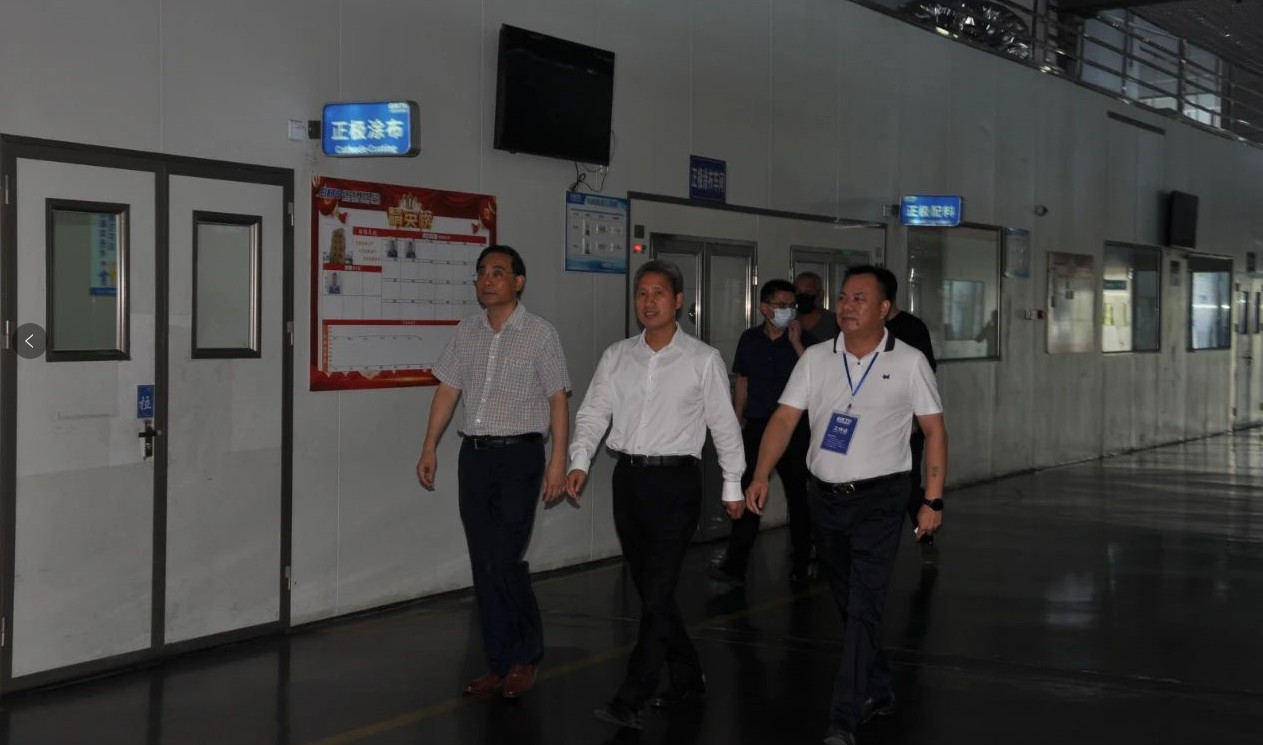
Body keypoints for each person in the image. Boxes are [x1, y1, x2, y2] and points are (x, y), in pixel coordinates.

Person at [746, 264, 947, 745]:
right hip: (826, 499)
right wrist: (760, 473)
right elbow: (784, 418)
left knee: (865, 604)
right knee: (848, 600)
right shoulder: (816, 358)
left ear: (884, 309)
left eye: (860, 298)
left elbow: (934, 430)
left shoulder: (910, 362)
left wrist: (932, 499)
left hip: (882, 498)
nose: (848, 306)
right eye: (843, 298)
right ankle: (877, 685)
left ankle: (844, 717)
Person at [565, 260, 745, 730]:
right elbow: (593, 413)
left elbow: (724, 426)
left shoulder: (703, 359)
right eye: (641, 294)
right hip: (628, 481)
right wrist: (579, 460)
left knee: (659, 588)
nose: (648, 302)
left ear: (678, 301)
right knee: (652, 591)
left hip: (676, 484)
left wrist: (733, 484)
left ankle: (632, 696)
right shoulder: (617, 356)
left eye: (658, 293)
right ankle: (687, 674)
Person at [416, 244, 571, 700]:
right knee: (483, 563)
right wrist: (429, 446)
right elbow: (448, 391)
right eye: (482, 272)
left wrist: (558, 461)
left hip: (520, 458)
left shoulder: (540, 334)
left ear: (518, 282)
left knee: (504, 559)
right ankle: (499, 662)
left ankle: (526, 656)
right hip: (475, 457)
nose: (487, 280)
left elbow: (557, 399)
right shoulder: (467, 331)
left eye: (498, 272)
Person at [709, 279, 815, 588]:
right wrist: (736, 419)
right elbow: (743, 381)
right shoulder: (750, 339)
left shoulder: (805, 341)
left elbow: (817, 377)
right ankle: (735, 565)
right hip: (756, 425)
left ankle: (801, 563)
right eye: (782, 305)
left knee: (798, 496)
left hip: (793, 428)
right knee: (747, 493)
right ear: (765, 308)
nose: (788, 311)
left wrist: (796, 343)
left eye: (792, 305)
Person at [875, 266, 940, 566]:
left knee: (908, 483)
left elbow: (926, 377)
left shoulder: (912, 329)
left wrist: (915, 420)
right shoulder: (862, 330)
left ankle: (924, 531)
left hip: (908, 423)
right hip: (872, 425)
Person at [795, 271, 840, 343]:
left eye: (809, 292)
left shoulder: (835, 322)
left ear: (820, 294)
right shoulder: (789, 321)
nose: (803, 296)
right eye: (799, 292)